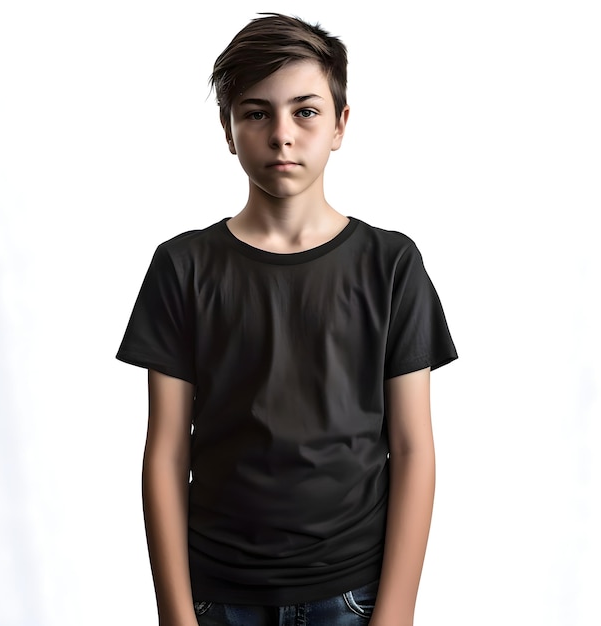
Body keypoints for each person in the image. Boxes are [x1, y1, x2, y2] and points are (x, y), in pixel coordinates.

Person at [116, 12, 457, 626]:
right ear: (228, 129)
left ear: (340, 125)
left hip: (353, 593)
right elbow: (165, 452)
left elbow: (412, 447)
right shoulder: (182, 266)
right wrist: (175, 614)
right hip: (218, 595)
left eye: (305, 111)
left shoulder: (391, 263)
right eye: (256, 113)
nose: (281, 135)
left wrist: (397, 612)